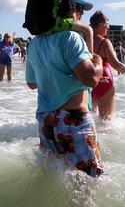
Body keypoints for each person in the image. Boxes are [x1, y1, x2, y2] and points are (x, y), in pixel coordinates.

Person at [25, 19, 104, 177]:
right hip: (74, 118)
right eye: (77, 9)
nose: (80, 14)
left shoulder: (34, 44)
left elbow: (32, 83)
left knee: (51, 175)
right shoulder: (70, 37)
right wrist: (99, 63)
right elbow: (91, 79)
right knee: (89, 181)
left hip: (46, 119)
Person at [90, 11, 125, 119]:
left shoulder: (83, 40)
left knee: (91, 119)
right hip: (105, 81)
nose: (108, 27)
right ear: (100, 25)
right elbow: (116, 65)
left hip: (89, 81)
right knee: (106, 121)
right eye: (107, 25)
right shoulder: (105, 42)